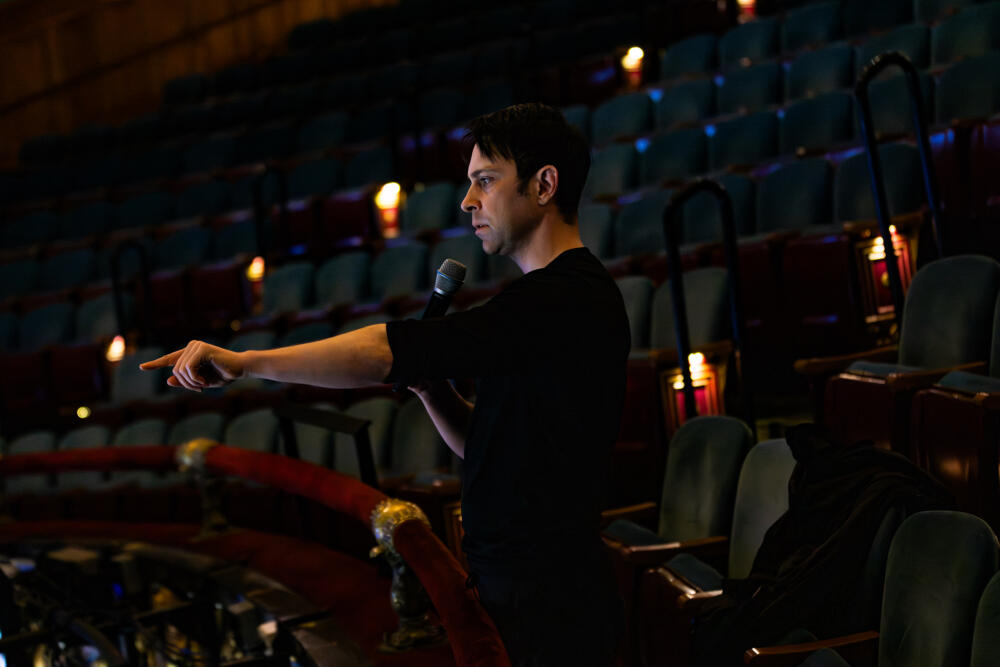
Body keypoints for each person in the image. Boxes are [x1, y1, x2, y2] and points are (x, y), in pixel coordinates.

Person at [141, 103, 629, 665]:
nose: (468, 201)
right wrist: (431, 390)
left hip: (555, 601)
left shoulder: (562, 299)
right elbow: (488, 446)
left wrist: (246, 362)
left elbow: (382, 350)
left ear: (544, 184)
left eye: (485, 181)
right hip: (520, 587)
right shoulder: (539, 304)